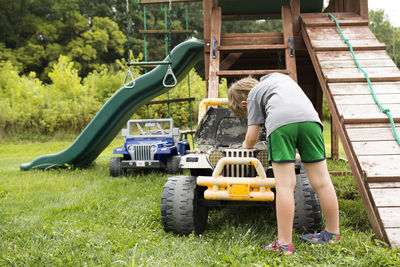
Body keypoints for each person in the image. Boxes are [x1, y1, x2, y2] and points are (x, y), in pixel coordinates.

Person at [227, 73, 340, 256]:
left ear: (244, 105)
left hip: (281, 125)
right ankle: (332, 234)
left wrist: (246, 146)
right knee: (323, 182)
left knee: (285, 186)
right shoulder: (281, 80)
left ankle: (284, 244)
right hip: (311, 121)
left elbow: (252, 137)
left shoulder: (253, 95)